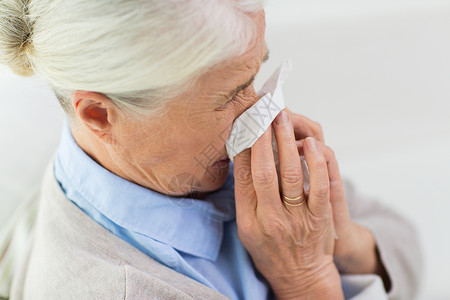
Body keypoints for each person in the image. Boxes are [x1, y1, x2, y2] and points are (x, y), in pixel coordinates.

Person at [0, 0, 421, 299]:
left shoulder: (192, 160)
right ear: (99, 115)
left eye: (256, 74)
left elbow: (406, 248)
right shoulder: (119, 289)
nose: (262, 114)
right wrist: (307, 279)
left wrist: (343, 239)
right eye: (228, 97)